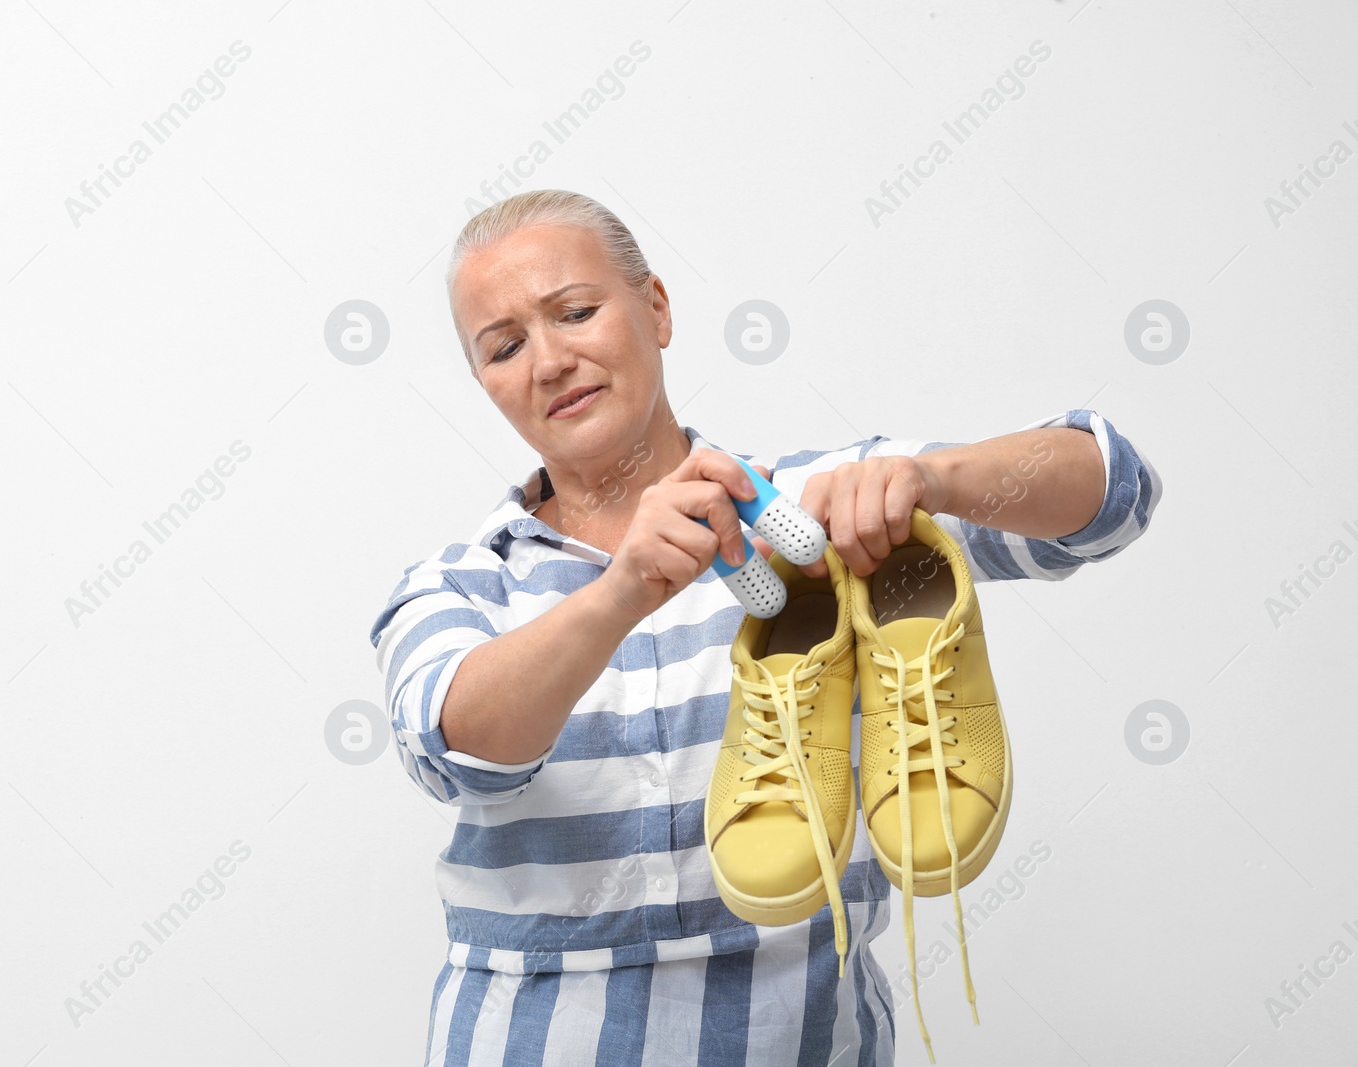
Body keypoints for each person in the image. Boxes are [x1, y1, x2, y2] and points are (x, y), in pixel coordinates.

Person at [368, 189, 1162, 1066]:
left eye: (577, 312)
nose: (550, 360)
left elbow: (1110, 491)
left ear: (657, 308)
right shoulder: (459, 581)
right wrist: (621, 591)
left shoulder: (822, 508)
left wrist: (932, 480)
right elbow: (460, 752)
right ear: (485, 382)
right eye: (506, 346)